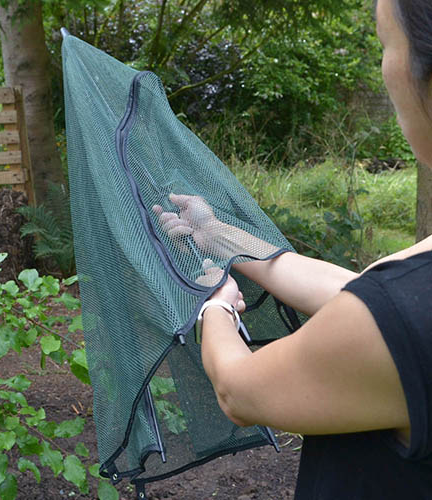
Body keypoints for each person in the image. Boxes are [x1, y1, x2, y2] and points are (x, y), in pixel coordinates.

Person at [153, 0, 432, 497]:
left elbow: (238, 390)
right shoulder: (410, 302)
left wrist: (215, 305)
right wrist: (217, 235)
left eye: (385, 44)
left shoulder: (401, 322)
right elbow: (366, 291)